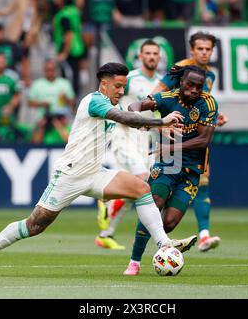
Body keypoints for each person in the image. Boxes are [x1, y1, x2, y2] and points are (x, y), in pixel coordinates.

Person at [0, 62, 197, 277]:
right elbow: (124, 118)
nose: (121, 91)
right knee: (34, 226)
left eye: (124, 86)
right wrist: (160, 122)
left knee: (141, 188)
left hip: (95, 173)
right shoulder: (94, 101)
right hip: (70, 175)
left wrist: (156, 130)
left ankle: (163, 243)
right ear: (103, 84)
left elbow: (130, 119)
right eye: (117, 86)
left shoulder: (110, 103)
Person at [123, 65, 218, 276]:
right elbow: (133, 106)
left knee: (169, 222)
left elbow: (204, 140)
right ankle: (134, 262)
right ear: (181, 82)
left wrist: (171, 146)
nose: (194, 90)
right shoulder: (167, 98)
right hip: (167, 163)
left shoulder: (208, 103)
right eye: (190, 85)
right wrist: (155, 124)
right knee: (154, 205)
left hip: (192, 169)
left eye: (198, 87)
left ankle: (162, 246)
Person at [152, 31, 227, 253]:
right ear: (192, 50)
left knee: (203, 179)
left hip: (196, 140)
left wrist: (215, 119)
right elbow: (155, 95)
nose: (204, 53)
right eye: (200, 49)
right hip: (172, 138)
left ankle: (204, 235)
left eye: (208, 49)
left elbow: (200, 105)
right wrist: (163, 124)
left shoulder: (210, 76)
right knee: (159, 190)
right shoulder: (180, 69)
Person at [94, 39, 162, 250]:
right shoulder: (130, 79)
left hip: (146, 140)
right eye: (147, 53)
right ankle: (159, 239)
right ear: (140, 56)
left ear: (159, 57)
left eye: (155, 53)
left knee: (136, 189)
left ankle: (106, 232)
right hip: (124, 137)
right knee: (144, 181)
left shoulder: (161, 83)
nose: (151, 57)